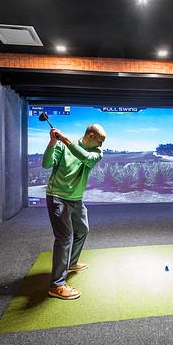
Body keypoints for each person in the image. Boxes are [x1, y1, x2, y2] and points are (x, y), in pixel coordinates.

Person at [42, 123, 106, 300]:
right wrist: (53, 143)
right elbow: (46, 163)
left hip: (76, 199)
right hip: (57, 197)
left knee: (83, 229)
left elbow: (84, 156)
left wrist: (63, 139)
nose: (102, 145)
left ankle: (70, 263)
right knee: (64, 238)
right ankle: (57, 285)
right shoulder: (62, 145)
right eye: (100, 141)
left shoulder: (97, 153)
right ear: (91, 135)